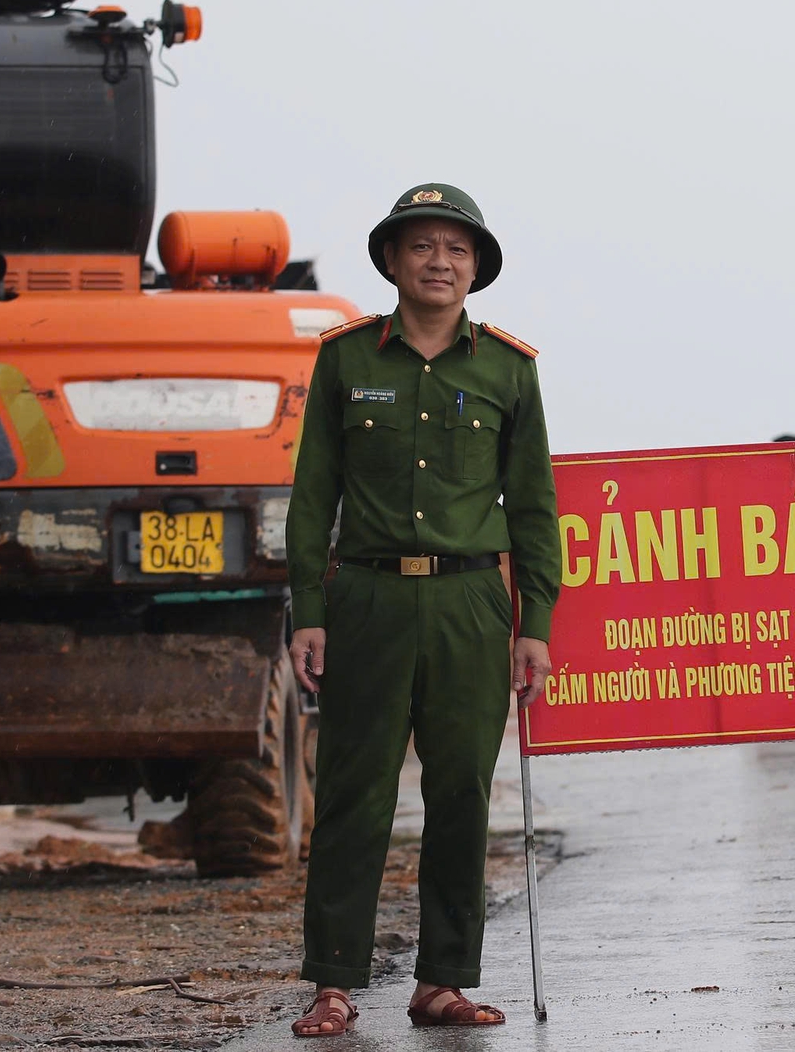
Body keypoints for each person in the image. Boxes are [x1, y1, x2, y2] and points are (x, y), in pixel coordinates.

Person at [283, 184, 562, 1035]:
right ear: (394, 261)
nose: (440, 262)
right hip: (366, 596)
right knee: (353, 797)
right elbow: (311, 493)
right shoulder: (347, 360)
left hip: (471, 603)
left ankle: (442, 981)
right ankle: (334, 983)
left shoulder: (509, 368)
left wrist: (535, 626)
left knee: (460, 795)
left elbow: (535, 507)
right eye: (423, 246)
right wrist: (308, 608)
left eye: (458, 249)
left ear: (475, 269)